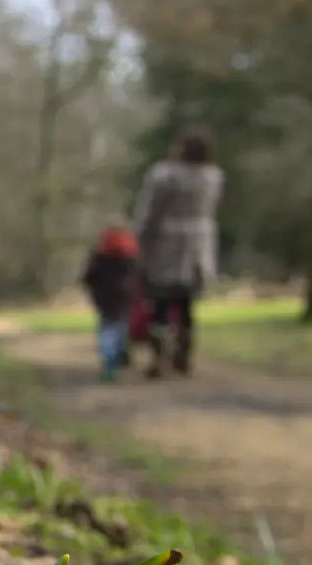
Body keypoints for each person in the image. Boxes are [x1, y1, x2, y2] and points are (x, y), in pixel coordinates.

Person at [132, 126, 224, 377]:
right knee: (186, 305)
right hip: (198, 246)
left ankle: (160, 357)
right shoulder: (212, 178)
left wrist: (140, 239)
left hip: (166, 245)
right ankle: (183, 354)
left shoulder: (165, 176)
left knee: (160, 303)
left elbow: (149, 211)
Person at [80, 226, 140, 381]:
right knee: (120, 329)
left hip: (104, 300)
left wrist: (95, 291)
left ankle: (109, 362)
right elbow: (139, 278)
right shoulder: (130, 259)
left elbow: (87, 278)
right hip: (124, 299)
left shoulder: (99, 258)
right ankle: (116, 358)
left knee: (107, 329)